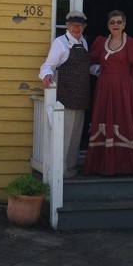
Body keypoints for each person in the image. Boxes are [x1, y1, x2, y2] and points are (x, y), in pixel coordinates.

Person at [84, 10, 133, 176]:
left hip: (124, 87)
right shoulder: (100, 43)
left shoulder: (132, 43)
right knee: (104, 118)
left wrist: (122, 80)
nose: (116, 25)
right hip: (104, 87)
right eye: (112, 22)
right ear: (108, 25)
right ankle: (103, 165)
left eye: (119, 22)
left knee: (124, 118)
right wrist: (99, 71)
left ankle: (127, 165)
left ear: (124, 24)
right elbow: (91, 62)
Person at [39, 10, 91, 178]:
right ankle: (59, 171)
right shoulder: (60, 43)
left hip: (81, 97)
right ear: (68, 26)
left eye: (80, 25)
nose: (77, 27)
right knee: (64, 137)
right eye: (74, 24)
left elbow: (83, 67)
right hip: (65, 97)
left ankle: (70, 168)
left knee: (75, 137)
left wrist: (97, 70)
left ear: (83, 27)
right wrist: (46, 76)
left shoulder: (84, 42)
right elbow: (48, 66)